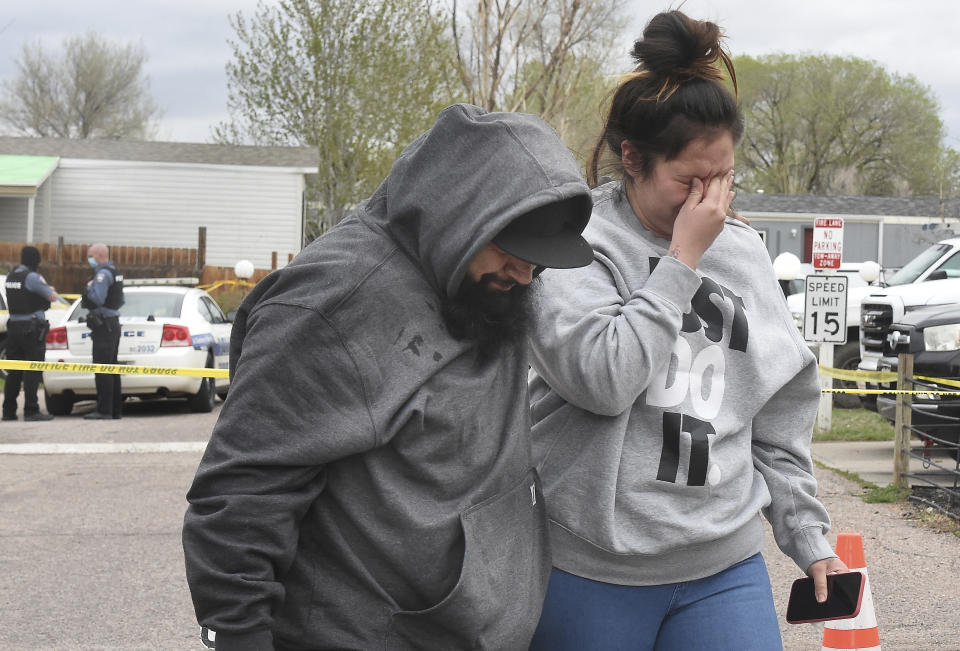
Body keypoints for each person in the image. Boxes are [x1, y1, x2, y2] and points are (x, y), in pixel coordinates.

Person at [182, 104, 594, 651]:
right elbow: (242, 497)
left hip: (472, 630)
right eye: (515, 252)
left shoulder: (487, 286)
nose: (527, 274)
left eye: (539, 260)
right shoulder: (332, 305)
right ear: (461, 217)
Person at [525, 11, 847, 650]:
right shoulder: (575, 246)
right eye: (689, 182)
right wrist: (682, 261)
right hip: (591, 566)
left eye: (722, 178)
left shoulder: (744, 252)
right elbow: (604, 379)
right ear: (633, 159)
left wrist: (808, 536)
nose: (711, 203)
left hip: (722, 566)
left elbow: (777, 411)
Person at [2, 246, 59, 421]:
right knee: (33, 370)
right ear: (36, 261)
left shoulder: (11, 276)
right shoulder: (32, 277)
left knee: (14, 372)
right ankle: (31, 410)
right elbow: (52, 297)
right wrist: (51, 289)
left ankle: (8, 411)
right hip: (31, 329)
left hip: (13, 329)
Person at [82, 243, 124, 420]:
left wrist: (87, 287)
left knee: (102, 369)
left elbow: (97, 299)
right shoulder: (114, 270)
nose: (88, 259)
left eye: (90, 255)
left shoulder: (102, 274)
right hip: (111, 324)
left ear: (99, 255)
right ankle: (115, 410)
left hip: (104, 326)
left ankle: (104, 410)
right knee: (112, 368)